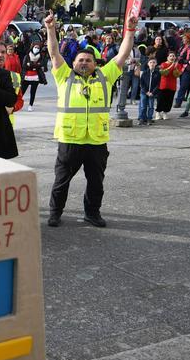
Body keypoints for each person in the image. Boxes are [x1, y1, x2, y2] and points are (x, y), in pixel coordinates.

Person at [42, 12, 136, 228]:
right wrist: (50, 29)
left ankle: (92, 214)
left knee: (96, 182)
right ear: (73, 63)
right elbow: (54, 51)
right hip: (70, 139)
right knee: (61, 182)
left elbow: (123, 53)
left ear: (96, 63)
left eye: (88, 60)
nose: (84, 63)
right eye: (80, 60)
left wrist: (129, 30)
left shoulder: (106, 75)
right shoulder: (63, 75)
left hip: (96, 140)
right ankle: (55, 213)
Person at [21, 40, 47, 112]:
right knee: (22, 92)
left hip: (36, 77)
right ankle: (17, 103)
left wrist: (31, 65)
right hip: (26, 77)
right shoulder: (27, 55)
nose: (36, 49)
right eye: (35, 47)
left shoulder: (41, 56)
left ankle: (30, 105)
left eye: (38, 48)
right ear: (32, 47)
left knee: (33, 92)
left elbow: (41, 65)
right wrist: (35, 65)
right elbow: (24, 66)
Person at [136, 56, 160, 125]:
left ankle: (149, 118)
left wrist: (152, 92)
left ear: (156, 64)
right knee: (143, 106)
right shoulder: (144, 73)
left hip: (152, 93)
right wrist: (146, 91)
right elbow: (142, 83)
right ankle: (142, 118)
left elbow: (158, 85)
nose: (152, 64)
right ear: (148, 64)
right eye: (150, 62)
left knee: (151, 106)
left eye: (154, 62)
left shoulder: (157, 74)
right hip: (144, 92)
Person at [156, 52, 181, 120]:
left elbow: (177, 75)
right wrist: (171, 66)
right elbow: (164, 73)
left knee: (169, 100)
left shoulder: (177, 65)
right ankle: (158, 112)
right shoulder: (163, 64)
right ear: (167, 57)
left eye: (173, 56)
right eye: (170, 56)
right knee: (161, 99)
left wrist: (175, 68)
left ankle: (165, 112)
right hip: (163, 85)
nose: (172, 57)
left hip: (172, 85)